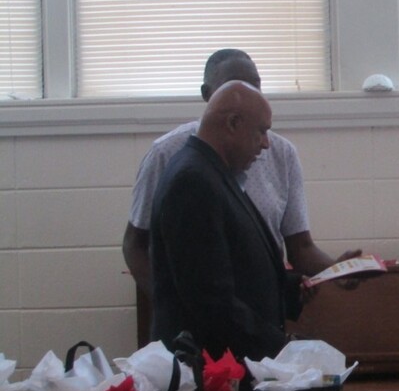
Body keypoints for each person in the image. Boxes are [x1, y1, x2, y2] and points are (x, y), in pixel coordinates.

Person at [122, 49, 360, 298]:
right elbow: (135, 244)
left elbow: (300, 247)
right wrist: (167, 303)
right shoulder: (169, 153)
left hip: (258, 314)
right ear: (208, 95)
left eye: (255, 86)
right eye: (234, 86)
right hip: (204, 318)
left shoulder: (281, 154)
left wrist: (336, 270)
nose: (247, 94)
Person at [150, 80, 297, 361]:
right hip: (208, 366)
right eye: (261, 131)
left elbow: (237, 266)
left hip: (229, 361)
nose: (266, 143)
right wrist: (282, 347)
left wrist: (293, 287)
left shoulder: (214, 174)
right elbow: (209, 300)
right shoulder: (193, 181)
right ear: (232, 123)